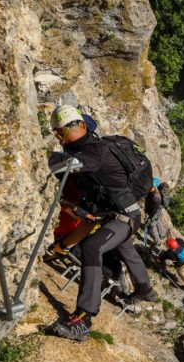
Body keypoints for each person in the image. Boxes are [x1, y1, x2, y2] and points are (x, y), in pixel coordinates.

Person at [47, 104, 158, 341]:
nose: (59, 135)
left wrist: (47, 158)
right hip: (120, 215)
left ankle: (83, 319)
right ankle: (145, 289)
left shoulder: (94, 153)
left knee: (92, 247)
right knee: (126, 249)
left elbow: (62, 166)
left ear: (82, 126)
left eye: (63, 130)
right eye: (56, 131)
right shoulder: (97, 147)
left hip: (122, 217)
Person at [143, 177, 168, 249]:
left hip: (154, 213)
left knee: (152, 227)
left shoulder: (156, 197)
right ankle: (163, 235)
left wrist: (148, 217)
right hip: (157, 212)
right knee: (158, 220)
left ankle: (158, 243)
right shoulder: (157, 194)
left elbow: (153, 211)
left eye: (151, 186)